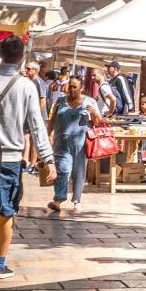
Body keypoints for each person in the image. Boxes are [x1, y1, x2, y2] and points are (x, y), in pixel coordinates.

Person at [0, 36, 54, 278]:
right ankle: (0, 264)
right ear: (21, 57)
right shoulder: (27, 86)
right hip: (10, 158)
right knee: (7, 212)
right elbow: (36, 125)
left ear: (0, 52)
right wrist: (48, 159)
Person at [46, 77, 102, 213]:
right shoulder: (60, 101)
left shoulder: (90, 102)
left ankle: (77, 201)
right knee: (63, 171)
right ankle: (58, 200)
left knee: (79, 172)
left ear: (81, 88)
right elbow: (52, 120)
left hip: (81, 144)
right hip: (61, 143)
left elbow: (98, 121)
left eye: (74, 87)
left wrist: (94, 113)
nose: (71, 89)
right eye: (70, 86)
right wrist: (48, 136)